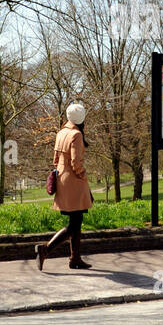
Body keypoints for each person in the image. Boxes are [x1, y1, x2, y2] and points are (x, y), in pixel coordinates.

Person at [35, 103, 94, 270]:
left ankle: (75, 258)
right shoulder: (76, 134)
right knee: (75, 223)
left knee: (76, 220)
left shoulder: (61, 132)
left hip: (62, 179)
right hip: (74, 181)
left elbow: (55, 159)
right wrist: (83, 175)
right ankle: (45, 249)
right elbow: (76, 163)